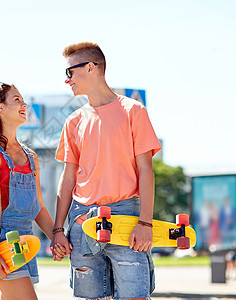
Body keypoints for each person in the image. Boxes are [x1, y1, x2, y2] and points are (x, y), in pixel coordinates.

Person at [50, 42, 162, 300]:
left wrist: (145, 221)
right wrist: (58, 230)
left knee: (135, 297)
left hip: (127, 218)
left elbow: (146, 170)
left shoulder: (133, 111)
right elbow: (67, 179)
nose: (67, 80)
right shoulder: (73, 121)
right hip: (82, 220)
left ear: (91, 68)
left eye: (70, 72)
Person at [0, 82, 58, 300]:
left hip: (24, 238)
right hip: (1, 238)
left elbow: (38, 206)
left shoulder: (31, 156)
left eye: (22, 99)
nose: (24, 104)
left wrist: (56, 238)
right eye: (16, 100)